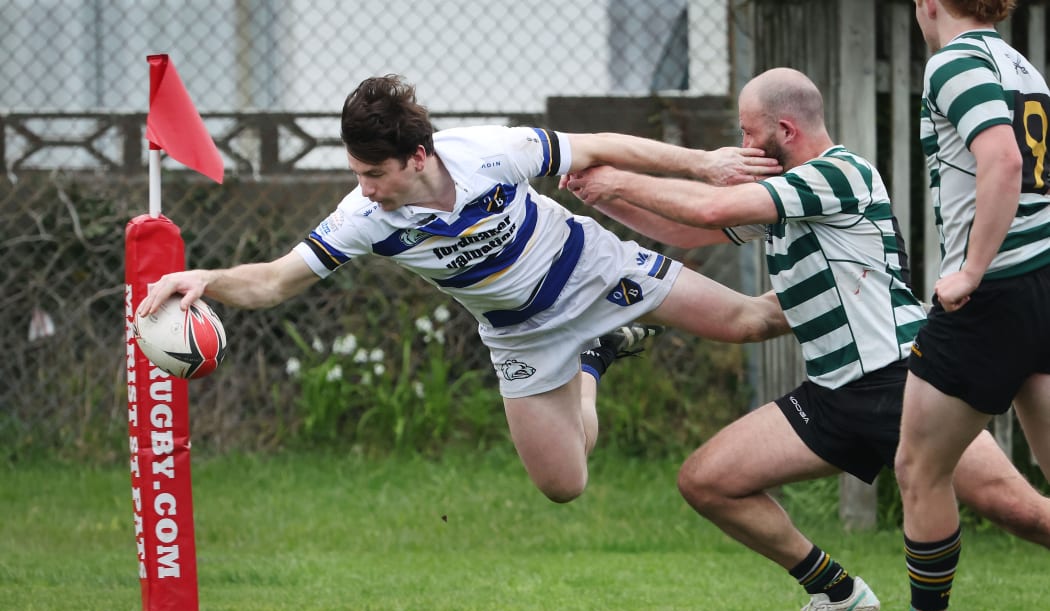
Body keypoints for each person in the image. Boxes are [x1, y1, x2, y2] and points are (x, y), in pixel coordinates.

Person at [138, 74, 789, 505]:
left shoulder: (488, 152)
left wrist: (705, 163)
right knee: (564, 484)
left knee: (751, 322)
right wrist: (208, 280)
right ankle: (595, 358)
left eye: (373, 173)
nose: (363, 186)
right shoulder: (365, 218)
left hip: (588, 271)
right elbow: (277, 280)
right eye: (356, 173)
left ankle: (870, 297)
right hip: (518, 332)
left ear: (418, 157)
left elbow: (594, 147)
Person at [565, 66, 1050, 611]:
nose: (742, 148)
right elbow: (691, 232)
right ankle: (837, 593)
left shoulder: (836, 174)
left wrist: (616, 180)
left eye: (748, 133)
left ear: (786, 130)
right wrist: (595, 196)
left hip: (901, 382)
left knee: (1017, 509)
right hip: (832, 396)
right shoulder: (784, 199)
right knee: (707, 480)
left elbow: (708, 210)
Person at [834, 2, 1050, 611]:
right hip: (1043, 281)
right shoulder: (1021, 66)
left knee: (918, 466)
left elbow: (1004, 161)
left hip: (992, 297)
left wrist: (971, 270)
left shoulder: (954, 61)